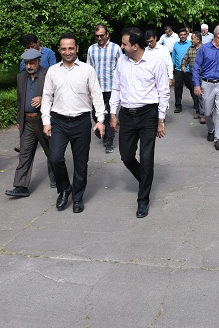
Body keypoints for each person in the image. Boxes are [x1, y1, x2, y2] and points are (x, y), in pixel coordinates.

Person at [41, 33, 106, 214]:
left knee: (81, 163)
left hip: (81, 122)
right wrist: (46, 121)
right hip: (59, 121)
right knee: (55, 158)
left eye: (71, 48)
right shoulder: (53, 71)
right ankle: (64, 189)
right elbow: (46, 97)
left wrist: (100, 120)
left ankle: (78, 197)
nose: (67, 52)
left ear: (77, 49)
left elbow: (97, 96)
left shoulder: (87, 70)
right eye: (64, 49)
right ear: (59, 50)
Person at [109, 27, 170, 218]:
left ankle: (143, 200)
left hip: (148, 114)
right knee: (126, 156)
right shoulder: (122, 61)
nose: (121, 47)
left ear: (135, 46)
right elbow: (116, 88)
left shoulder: (155, 62)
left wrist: (161, 119)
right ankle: (145, 179)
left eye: (124, 44)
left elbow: (163, 92)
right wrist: (113, 113)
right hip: (127, 115)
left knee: (146, 158)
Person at [5, 49, 56, 197]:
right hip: (27, 121)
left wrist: (43, 99)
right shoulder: (21, 77)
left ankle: (57, 178)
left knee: (52, 152)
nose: (29, 66)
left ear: (39, 61)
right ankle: (21, 186)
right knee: (24, 154)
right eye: (26, 63)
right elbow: (19, 100)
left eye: (32, 63)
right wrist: (19, 119)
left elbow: (59, 95)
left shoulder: (49, 74)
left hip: (44, 121)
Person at [86, 24, 122, 154]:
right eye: (97, 36)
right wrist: (88, 88)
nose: (99, 38)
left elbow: (121, 68)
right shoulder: (91, 49)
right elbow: (89, 69)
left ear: (107, 34)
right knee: (96, 115)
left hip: (112, 88)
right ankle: (102, 131)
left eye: (102, 35)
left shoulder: (116, 48)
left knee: (110, 114)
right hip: (97, 89)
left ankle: (109, 142)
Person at [181, 31, 205, 123]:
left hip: (203, 75)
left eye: (192, 38)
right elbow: (185, 58)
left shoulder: (205, 49)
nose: (191, 40)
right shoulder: (190, 49)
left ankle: (203, 114)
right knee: (195, 94)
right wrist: (183, 65)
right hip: (193, 75)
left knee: (202, 95)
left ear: (198, 40)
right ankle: (197, 111)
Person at [172, 28, 191, 113]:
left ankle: (197, 104)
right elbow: (173, 57)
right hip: (178, 70)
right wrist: (172, 68)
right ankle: (178, 106)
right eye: (181, 35)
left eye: (184, 34)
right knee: (178, 88)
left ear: (187, 35)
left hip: (188, 70)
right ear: (178, 36)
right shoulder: (176, 45)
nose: (183, 36)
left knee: (192, 87)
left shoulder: (190, 44)